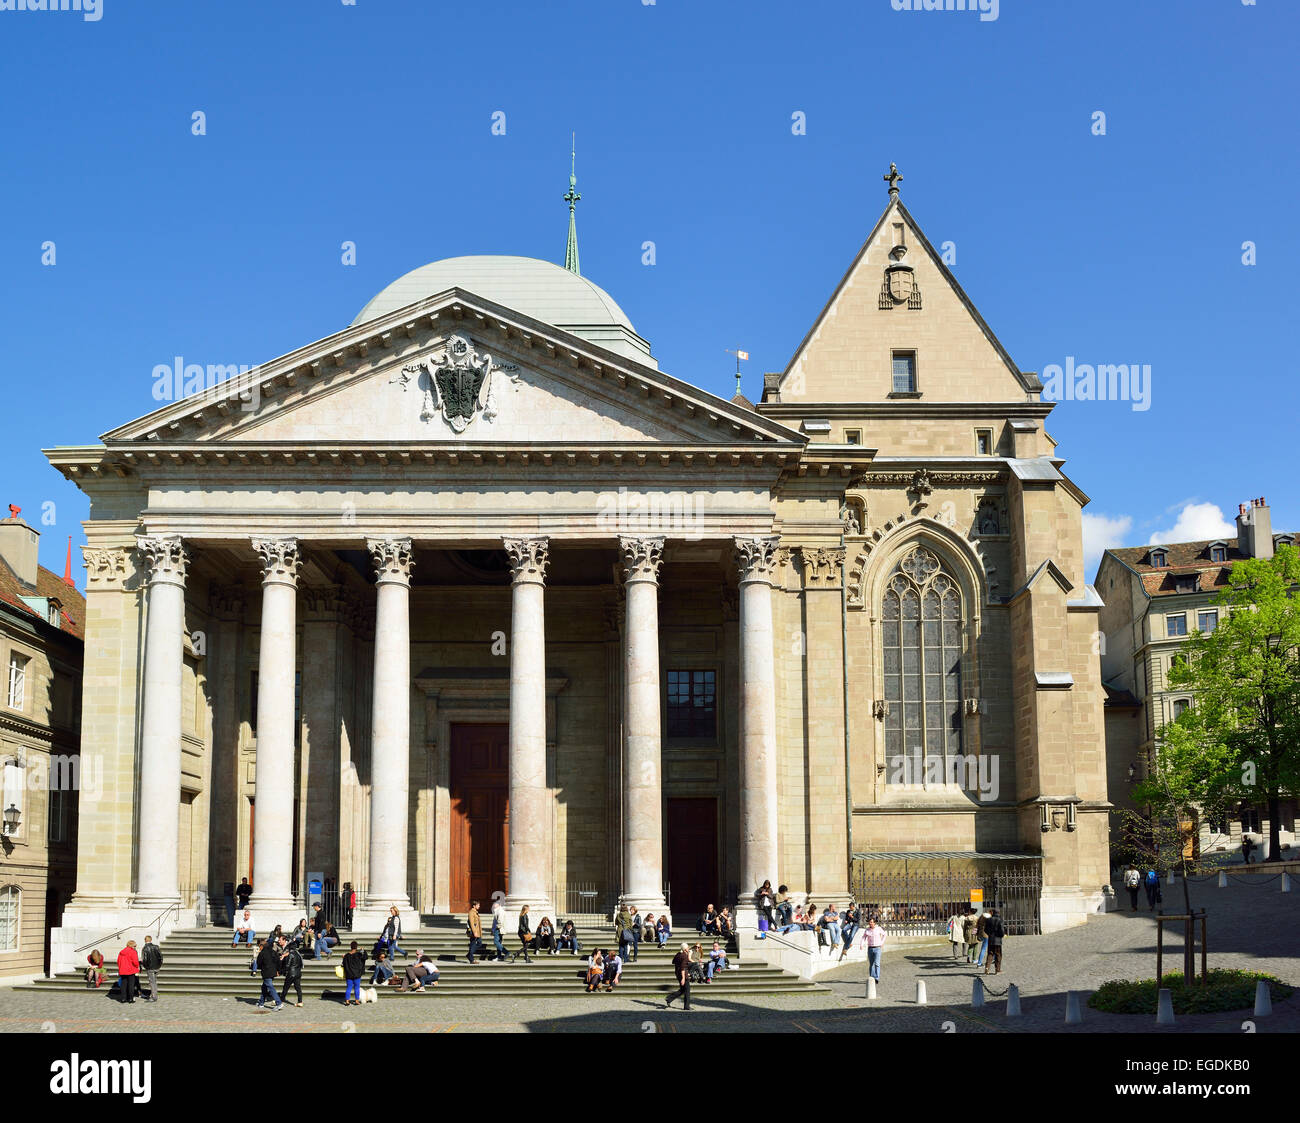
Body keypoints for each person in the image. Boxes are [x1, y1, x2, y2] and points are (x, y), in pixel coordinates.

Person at [256, 937, 284, 1011]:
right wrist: (278, 971)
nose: (259, 948)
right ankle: (261, 1003)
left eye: (259, 946)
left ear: (261, 946)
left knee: (270, 987)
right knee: (264, 987)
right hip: (273, 972)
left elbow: (258, 963)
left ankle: (279, 1003)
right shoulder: (273, 951)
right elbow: (278, 961)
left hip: (266, 972)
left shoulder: (262, 953)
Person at [665, 942, 692, 1010]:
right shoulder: (684, 956)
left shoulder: (678, 954)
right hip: (683, 975)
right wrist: (683, 978)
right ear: (685, 949)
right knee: (687, 991)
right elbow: (683, 968)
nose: (689, 948)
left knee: (683, 989)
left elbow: (673, 961)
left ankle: (669, 998)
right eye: (688, 947)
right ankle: (686, 1006)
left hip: (677, 973)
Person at [280, 936, 304, 1007]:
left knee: (286, 987)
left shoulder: (290, 954)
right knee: (298, 988)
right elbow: (301, 964)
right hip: (298, 973)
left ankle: (281, 1000)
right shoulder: (298, 954)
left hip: (291, 973)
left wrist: (282, 971)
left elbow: (287, 965)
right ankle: (300, 1001)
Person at [341, 940, 367, 1006]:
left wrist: (343, 958)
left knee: (349, 988)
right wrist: (363, 951)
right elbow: (365, 957)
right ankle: (357, 1000)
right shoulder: (359, 955)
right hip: (357, 974)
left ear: (350, 947)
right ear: (356, 947)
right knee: (357, 988)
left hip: (349, 975)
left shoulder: (346, 955)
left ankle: (347, 1001)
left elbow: (343, 964)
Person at [140, 934, 163, 1002]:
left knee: (152, 982)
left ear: (145, 940)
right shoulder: (156, 947)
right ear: (151, 940)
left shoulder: (145, 948)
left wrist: (146, 966)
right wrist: (159, 965)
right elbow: (161, 957)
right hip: (157, 967)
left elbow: (145, 959)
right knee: (154, 981)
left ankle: (154, 997)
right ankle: (154, 994)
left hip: (150, 968)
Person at [863, 916, 886, 982]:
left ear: (874, 923)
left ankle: (876, 978)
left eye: (872, 922)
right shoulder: (867, 930)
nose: (870, 923)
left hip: (877, 948)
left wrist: (881, 943)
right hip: (870, 948)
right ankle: (872, 977)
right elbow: (863, 937)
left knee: (877, 963)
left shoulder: (878, 929)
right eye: (869, 922)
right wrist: (862, 944)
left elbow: (884, 934)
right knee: (871, 964)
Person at [983, 908, 1005, 975]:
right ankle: (997, 970)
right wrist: (1001, 935)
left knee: (990, 953)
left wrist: (989, 934)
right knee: (998, 954)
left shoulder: (989, 920)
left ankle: (987, 967)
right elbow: (1001, 930)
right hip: (997, 940)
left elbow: (985, 929)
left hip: (990, 939)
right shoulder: (1000, 920)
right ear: (999, 913)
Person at [491, 896, 509, 961]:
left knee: (496, 942)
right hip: (498, 929)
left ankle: (506, 952)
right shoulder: (497, 911)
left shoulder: (500, 911)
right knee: (498, 942)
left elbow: (500, 922)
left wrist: (496, 928)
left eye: (495, 903)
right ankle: (499, 956)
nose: (493, 905)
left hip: (498, 929)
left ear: (499, 904)